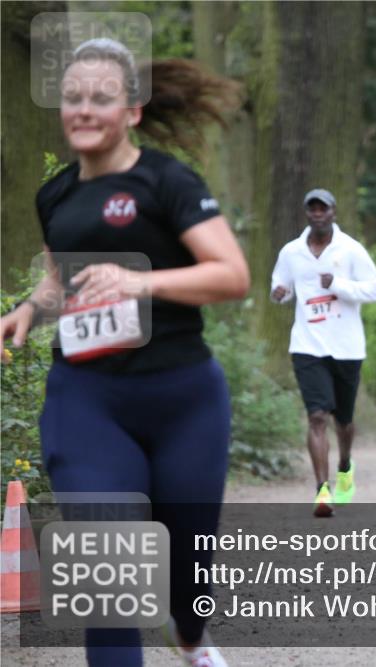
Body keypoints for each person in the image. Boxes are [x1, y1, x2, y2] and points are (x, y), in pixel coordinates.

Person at [0, 38, 247, 667]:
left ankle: (190, 638)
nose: (83, 109)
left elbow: (231, 274)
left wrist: (144, 281)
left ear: (132, 111)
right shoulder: (54, 196)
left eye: (101, 98)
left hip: (181, 398)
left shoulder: (167, 181)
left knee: (187, 582)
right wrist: (30, 309)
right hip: (87, 401)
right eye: (72, 97)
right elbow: (61, 279)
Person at [270, 189, 376, 516]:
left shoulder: (350, 250)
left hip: (346, 346)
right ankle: (322, 490)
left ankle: (345, 465)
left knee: (343, 420)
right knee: (317, 416)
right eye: (312, 209)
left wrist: (337, 284)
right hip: (307, 344)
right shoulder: (291, 252)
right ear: (307, 214)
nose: (318, 214)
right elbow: (279, 286)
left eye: (323, 209)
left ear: (334, 211)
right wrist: (279, 293)